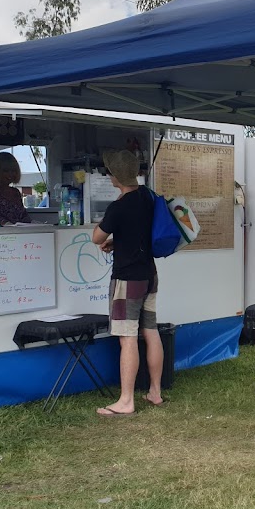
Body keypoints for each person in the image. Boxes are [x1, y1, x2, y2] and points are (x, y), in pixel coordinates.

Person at [91, 149, 164, 416]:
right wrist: (118, 242)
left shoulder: (119, 206)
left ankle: (126, 401)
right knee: (151, 330)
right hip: (149, 274)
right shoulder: (148, 196)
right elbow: (139, 233)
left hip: (126, 279)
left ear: (114, 176)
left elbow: (96, 237)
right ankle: (155, 392)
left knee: (127, 337)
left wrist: (109, 236)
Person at [0, 152, 31, 226]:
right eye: (6, 171)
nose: (10, 174)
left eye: (13, 171)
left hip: (20, 231)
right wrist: (5, 224)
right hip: (0, 234)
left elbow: (23, 215)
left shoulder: (15, 192)